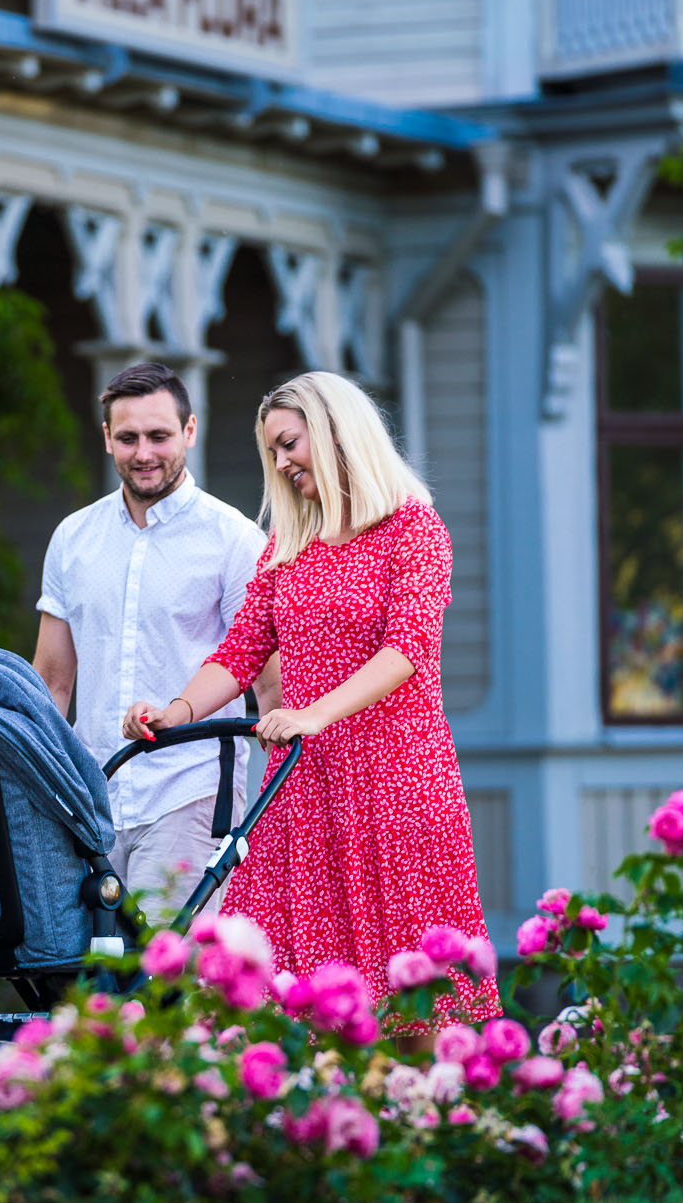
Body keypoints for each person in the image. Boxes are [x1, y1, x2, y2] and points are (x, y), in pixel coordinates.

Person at [122, 370, 498, 1028]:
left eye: (289, 444)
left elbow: (406, 651)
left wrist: (313, 713)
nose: (281, 463)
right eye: (272, 451)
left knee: (413, 1004)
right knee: (281, 999)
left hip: (395, 785)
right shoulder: (289, 545)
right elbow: (241, 650)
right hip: (301, 791)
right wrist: (174, 712)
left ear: (336, 433)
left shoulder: (413, 528)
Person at [33, 362, 280, 923]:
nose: (143, 453)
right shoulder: (73, 538)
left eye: (159, 435)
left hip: (188, 792)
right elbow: (51, 681)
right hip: (89, 799)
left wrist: (284, 804)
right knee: (90, 967)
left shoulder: (235, 539)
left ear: (190, 431)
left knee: (168, 967)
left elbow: (268, 684)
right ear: (107, 438)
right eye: (128, 438)